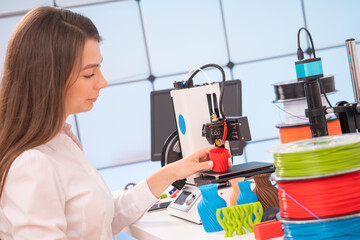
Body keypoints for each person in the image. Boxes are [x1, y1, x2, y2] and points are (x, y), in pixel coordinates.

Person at [0, 6, 231, 240]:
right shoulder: (30, 165)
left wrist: (174, 171)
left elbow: (102, 219)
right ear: (48, 78)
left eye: (99, 68)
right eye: (89, 74)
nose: (103, 82)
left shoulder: (61, 140)